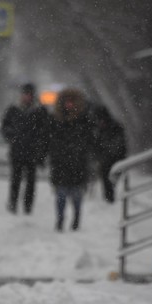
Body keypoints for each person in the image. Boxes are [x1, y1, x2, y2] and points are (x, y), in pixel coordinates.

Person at [47, 88, 96, 231]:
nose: (68, 104)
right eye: (66, 102)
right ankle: (60, 220)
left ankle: (76, 220)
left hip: (78, 163)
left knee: (76, 195)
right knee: (61, 195)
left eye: (71, 102)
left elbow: (91, 139)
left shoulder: (84, 119)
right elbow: (49, 139)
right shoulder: (55, 120)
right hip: (60, 163)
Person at [1, 83, 49, 214]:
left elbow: (46, 133)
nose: (27, 97)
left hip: (32, 152)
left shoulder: (40, 111)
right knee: (15, 179)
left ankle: (28, 206)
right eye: (25, 94)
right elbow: (5, 127)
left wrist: (41, 151)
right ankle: (13, 203)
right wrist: (12, 136)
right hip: (17, 151)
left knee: (31, 181)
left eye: (29, 94)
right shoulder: (13, 109)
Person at [93, 105, 127, 203]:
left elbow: (120, 144)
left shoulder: (113, 127)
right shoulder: (101, 128)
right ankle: (109, 196)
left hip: (114, 157)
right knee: (106, 177)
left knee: (109, 177)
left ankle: (109, 195)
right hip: (108, 157)